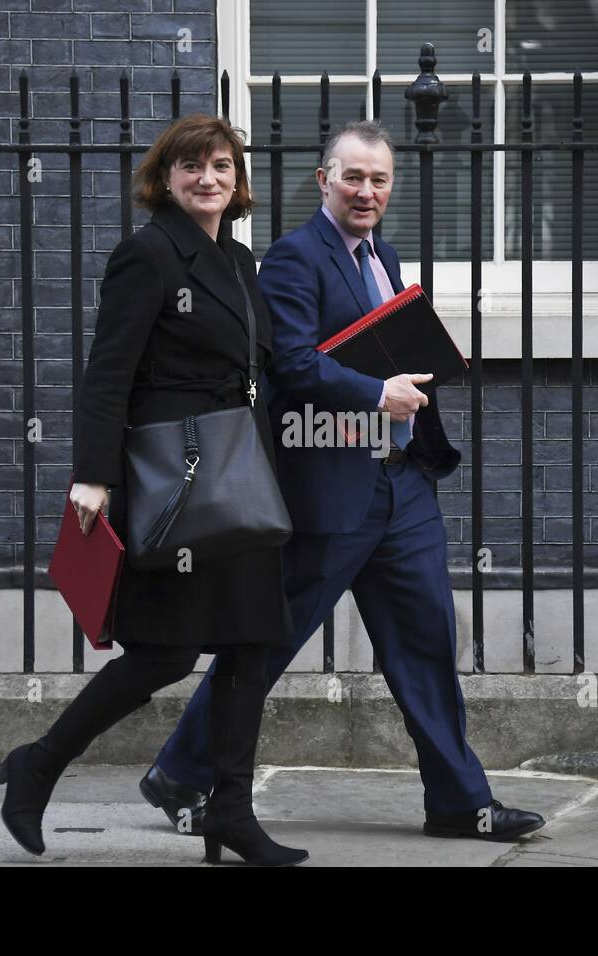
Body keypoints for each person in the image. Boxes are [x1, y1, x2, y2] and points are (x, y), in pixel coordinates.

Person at [141, 120, 546, 842]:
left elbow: (378, 345)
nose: (366, 191)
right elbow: (292, 362)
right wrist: (375, 394)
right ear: (324, 180)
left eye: (379, 179)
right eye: (352, 177)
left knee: (425, 641)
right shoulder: (296, 258)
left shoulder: (381, 254)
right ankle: (180, 772)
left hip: (401, 488)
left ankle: (459, 800)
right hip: (330, 488)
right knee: (269, 639)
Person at [0, 114, 307, 867]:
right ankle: (38, 764)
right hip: (175, 481)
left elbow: (263, 369)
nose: (209, 179)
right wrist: (92, 477)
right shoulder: (148, 255)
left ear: (238, 182)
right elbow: (108, 374)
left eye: (223, 167)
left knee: (250, 648)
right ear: (164, 179)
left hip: (239, 479)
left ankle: (229, 812)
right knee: (163, 654)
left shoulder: (237, 261)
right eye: (193, 166)